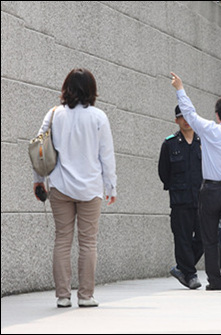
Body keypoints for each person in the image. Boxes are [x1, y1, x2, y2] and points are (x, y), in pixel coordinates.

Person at [32, 68, 117, 308]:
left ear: (66, 88)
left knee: (62, 240)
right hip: (91, 188)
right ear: (92, 89)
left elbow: (40, 148)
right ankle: (86, 296)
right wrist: (111, 186)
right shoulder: (99, 117)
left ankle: (62, 296)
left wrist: (38, 180)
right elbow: (106, 155)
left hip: (60, 185)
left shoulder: (54, 114)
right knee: (88, 242)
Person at [170, 72, 221, 291]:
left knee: (209, 237)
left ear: (217, 115)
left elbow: (189, 113)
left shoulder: (209, 130)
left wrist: (180, 88)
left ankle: (216, 280)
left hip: (210, 190)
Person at [158, 105, 204, 290]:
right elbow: (163, 172)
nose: (185, 120)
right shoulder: (170, 144)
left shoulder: (204, 141)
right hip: (180, 199)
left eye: (188, 116)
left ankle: (182, 268)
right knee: (182, 238)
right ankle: (190, 274)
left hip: (201, 198)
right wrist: (176, 187)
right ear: (176, 120)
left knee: (204, 237)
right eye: (181, 117)